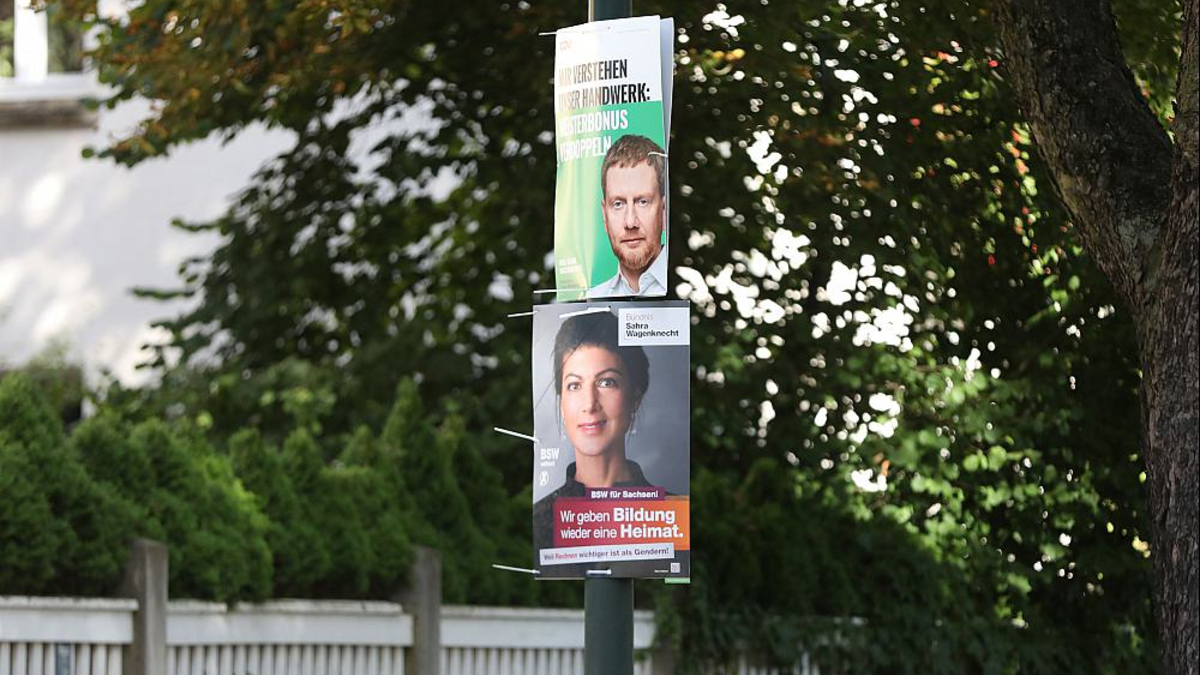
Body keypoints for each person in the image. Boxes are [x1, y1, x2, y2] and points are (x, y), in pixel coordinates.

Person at [532, 310, 661, 554]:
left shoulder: (666, 515)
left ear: (634, 397)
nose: (590, 404)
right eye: (574, 385)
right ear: (561, 402)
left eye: (606, 382)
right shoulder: (539, 522)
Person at [587, 134, 668, 298]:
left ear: (664, 210)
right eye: (618, 204)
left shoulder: (690, 290)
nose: (630, 222)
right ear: (605, 215)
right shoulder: (591, 300)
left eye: (642, 202)